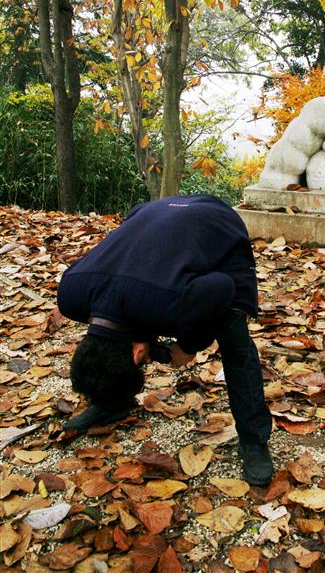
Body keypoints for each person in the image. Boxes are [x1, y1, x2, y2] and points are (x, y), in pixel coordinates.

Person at [57, 194, 273, 486]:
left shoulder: (175, 306)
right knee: (135, 316)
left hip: (219, 225)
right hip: (152, 212)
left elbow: (219, 287)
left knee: (233, 336)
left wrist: (188, 345)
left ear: (137, 353)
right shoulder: (70, 295)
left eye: (143, 362)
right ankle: (110, 402)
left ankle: (254, 438)